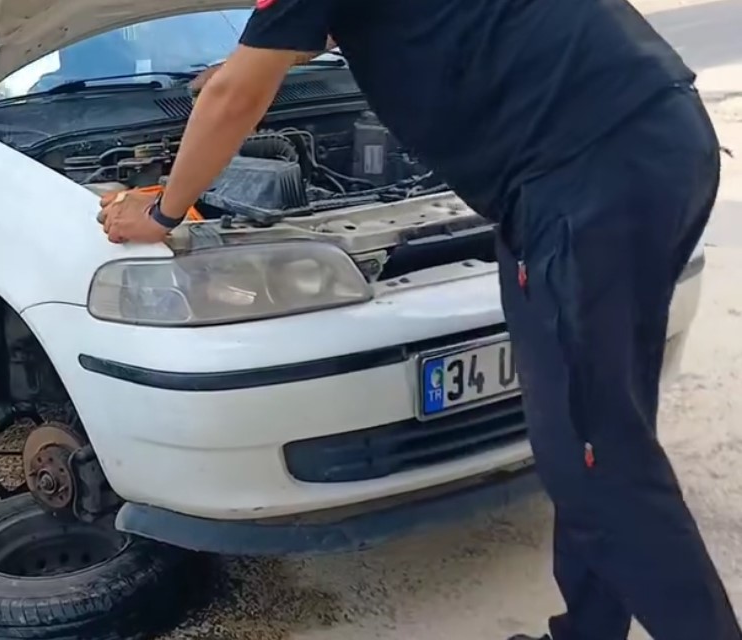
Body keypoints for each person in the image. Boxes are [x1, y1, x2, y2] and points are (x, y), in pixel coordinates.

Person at [98, 0, 738, 638]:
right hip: (646, 140)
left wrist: (163, 211)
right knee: (591, 439)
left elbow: (239, 98)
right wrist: (254, 59)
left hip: (587, 172)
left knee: (597, 456)